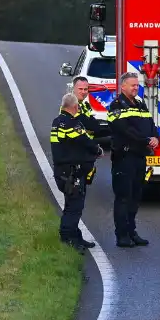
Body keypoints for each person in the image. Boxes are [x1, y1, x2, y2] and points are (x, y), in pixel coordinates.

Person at [107, 72, 157, 248]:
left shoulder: (141, 104)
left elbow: (151, 124)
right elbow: (125, 130)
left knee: (136, 196)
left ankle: (131, 231)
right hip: (124, 157)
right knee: (123, 197)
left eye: (137, 85)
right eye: (132, 85)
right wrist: (146, 140)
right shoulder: (116, 106)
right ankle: (121, 235)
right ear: (123, 87)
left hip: (139, 157)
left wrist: (155, 137)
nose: (136, 88)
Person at [50, 93, 100, 254]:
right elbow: (84, 141)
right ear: (74, 107)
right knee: (74, 207)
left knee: (71, 204)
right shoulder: (71, 124)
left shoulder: (57, 122)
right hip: (72, 172)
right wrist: (97, 149)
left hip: (63, 171)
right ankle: (68, 239)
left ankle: (76, 236)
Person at [71, 76, 112, 152]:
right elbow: (91, 126)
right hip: (76, 149)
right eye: (80, 89)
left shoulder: (82, 105)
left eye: (85, 89)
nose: (83, 92)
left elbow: (95, 126)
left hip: (84, 147)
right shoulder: (71, 106)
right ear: (73, 89)